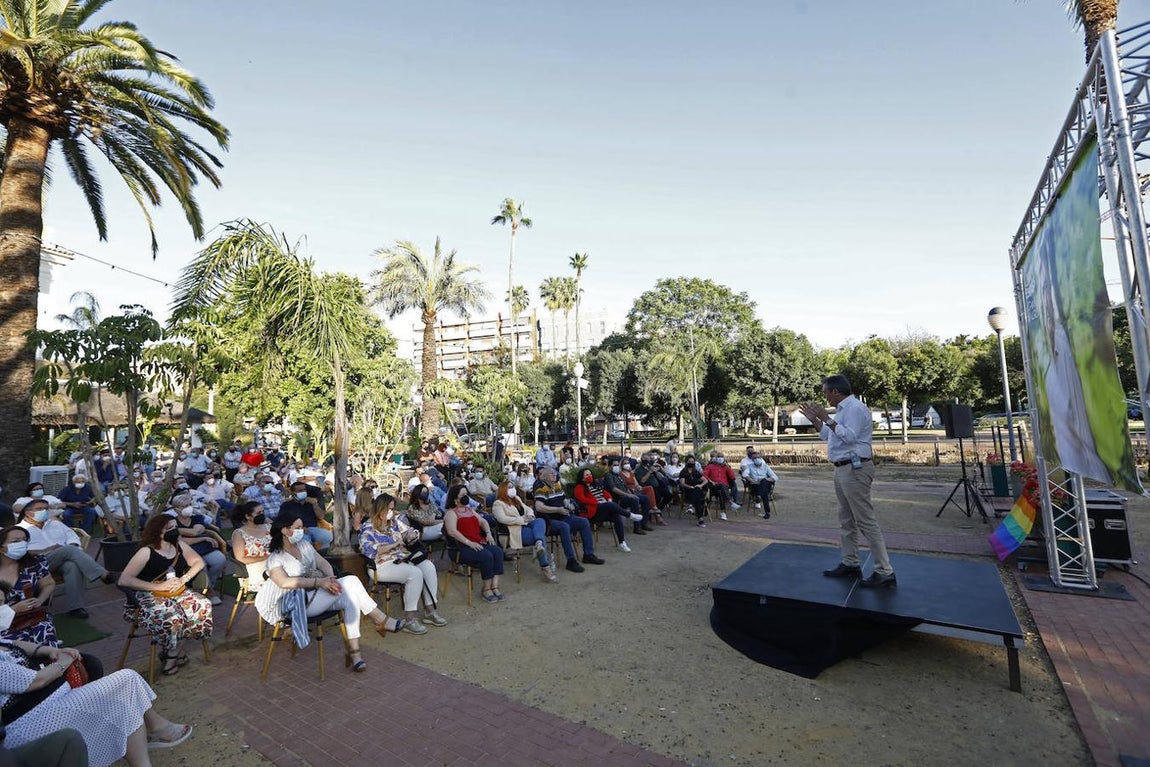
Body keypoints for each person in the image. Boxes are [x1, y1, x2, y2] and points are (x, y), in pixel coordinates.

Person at [0, 588, 193, 766]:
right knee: (125, 681)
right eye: (1, 605)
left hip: (43, 706)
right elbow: (37, 680)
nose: (6, 609)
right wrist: (63, 661)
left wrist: (50, 650)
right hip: (25, 724)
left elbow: (12, 644)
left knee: (121, 696)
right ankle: (154, 732)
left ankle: (151, 737)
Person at [254, 510, 403, 672]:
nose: (302, 531)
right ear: (285, 530)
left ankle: (355, 654)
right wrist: (320, 582)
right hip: (293, 604)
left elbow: (323, 563)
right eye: (298, 527)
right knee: (351, 581)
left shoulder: (303, 545)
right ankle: (381, 621)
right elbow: (284, 582)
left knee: (351, 597)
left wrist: (331, 579)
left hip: (313, 597)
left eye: (302, 527)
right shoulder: (276, 557)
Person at [800, 374, 896, 588]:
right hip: (843, 468)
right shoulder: (842, 411)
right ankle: (851, 562)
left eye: (826, 392)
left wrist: (826, 418)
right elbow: (828, 435)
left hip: (855, 468)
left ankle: (884, 571)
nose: (825, 397)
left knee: (865, 520)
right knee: (846, 519)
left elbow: (850, 437)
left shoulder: (854, 408)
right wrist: (815, 420)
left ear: (836, 391)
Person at [117, 514, 214, 676]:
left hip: (177, 592)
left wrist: (184, 579)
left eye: (174, 527)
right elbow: (124, 580)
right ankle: (174, 655)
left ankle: (172, 654)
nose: (173, 530)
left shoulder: (179, 545)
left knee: (202, 605)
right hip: (149, 595)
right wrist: (158, 585)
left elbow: (198, 562)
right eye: (168, 528)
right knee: (173, 616)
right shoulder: (146, 552)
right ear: (157, 531)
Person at [359, 494, 447, 634]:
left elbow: (409, 531)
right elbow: (370, 551)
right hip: (380, 565)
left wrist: (412, 536)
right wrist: (394, 545)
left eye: (393, 509)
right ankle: (410, 620)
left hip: (401, 559)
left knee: (429, 567)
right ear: (380, 509)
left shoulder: (394, 522)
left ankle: (430, 611)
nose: (392, 512)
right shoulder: (367, 527)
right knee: (415, 573)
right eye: (389, 509)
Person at [16, 499, 113, 619]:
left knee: (71, 565)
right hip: (36, 563)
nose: (45, 511)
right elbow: (21, 552)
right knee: (68, 550)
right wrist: (48, 550)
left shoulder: (55, 524)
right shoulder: (19, 530)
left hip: (61, 558)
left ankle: (76, 607)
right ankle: (102, 574)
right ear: (28, 512)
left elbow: (73, 537)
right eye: (40, 509)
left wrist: (69, 547)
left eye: (46, 508)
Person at [443, 485, 505, 603]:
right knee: (486, 556)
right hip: (461, 548)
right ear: (455, 498)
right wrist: (468, 542)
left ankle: (494, 586)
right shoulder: (451, 513)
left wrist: (488, 533)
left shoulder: (470, 510)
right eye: (463, 495)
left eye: (466, 494)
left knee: (497, 552)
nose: (466, 497)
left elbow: (483, 521)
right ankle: (486, 589)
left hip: (477, 542)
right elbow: (452, 532)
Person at [532, 466, 603, 571]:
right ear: (545, 476)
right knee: (564, 527)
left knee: (583, 522)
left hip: (563, 516)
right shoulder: (541, 489)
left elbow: (564, 499)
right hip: (550, 521)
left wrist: (569, 504)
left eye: (554, 473)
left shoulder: (557, 486)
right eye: (551, 473)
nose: (554, 475)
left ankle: (588, 555)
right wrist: (557, 510)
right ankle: (571, 561)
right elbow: (539, 507)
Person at [0, 526, 58, 646]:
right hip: (3, 624)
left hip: (32, 618)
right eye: (15, 541)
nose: (22, 544)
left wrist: (40, 600)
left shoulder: (34, 562)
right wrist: (13, 610)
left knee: (44, 630)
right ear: (1, 548)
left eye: (24, 540)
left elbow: (49, 583)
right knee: (15, 648)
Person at [491, 481, 558, 583]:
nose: (512, 489)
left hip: (527, 523)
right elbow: (502, 519)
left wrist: (530, 515)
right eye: (509, 487)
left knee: (540, 521)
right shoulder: (498, 504)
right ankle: (545, 566)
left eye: (512, 486)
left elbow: (527, 508)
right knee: (538, 536)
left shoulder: (516, 499)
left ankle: (539, 544)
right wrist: (522, 519)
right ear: (503, 490)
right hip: (514, 530)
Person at [170, 495, 226, 605]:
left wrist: (180, 530)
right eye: (185, 506)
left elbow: (194, 532)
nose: (189, 507)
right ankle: (209, 591)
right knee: (201, 565)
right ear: (176, 509)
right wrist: (204, 537)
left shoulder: (197, 518)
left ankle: (208, 585)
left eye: (190, 505)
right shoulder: (172, 522)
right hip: (186, 551)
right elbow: (183, 541)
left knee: (220, 559)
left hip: (204, 548)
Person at [573, 468, 636, 552]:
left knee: (616, 516)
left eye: (590, 474)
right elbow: (581, 499)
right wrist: (596, 502)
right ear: (582, 478)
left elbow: (606, 493)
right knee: (609, 505)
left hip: (604, 508)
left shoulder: (595, 485)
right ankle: (629, 515)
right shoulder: (579, 487)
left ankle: (622, 543)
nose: (590, 476)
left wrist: (609, 499)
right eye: (587, 475)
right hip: (593, 512)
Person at [277, 481, 333, 551]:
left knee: (328, 536)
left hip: (312, 528)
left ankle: (323, 553)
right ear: (293, 492)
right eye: (300, 490)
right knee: (306, 543)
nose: (303, 492)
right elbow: (282, 521)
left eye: (304, 490)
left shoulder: (310, 503)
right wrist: (298, 528)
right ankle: (310, 556)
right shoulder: (287, 505)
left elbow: (321, 517)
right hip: (297, 530)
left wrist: (315, 505)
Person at [602, 458, 650, 535]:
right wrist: (628, 495)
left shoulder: (618, 476)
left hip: (626, 496)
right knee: (634, 501)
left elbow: (626, 488)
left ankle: (643, 523)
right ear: (610, 466)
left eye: (617, 465)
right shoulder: (608, 476)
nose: (616, 466)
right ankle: (636, 527)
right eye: (614, 465)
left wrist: (631, 495)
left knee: (645, 499)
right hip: (618, 499)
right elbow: (614, 489)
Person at [229, 501, 271, 586]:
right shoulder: (239, 533)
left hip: (274, 561)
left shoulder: (269, 527)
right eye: (259, 513)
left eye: (263, 512)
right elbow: (241, 558)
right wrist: (265, 557)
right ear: (248, 516)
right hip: (256, 566)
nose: (262, 515)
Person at [702, 451, 740, 520]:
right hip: (713, 486)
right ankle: (730, 503)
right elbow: (704, 475)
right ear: (716, 458)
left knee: (721, 491)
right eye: (718, 457)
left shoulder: (725, 467)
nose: (720, 458)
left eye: (721, 457)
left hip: (723, 487)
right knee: (721, 488)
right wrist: (711, 481)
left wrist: (728, 468)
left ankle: (723, 512)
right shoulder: (710, 466)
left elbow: (733, 477)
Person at [741, 451, 778, 519]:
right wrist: (753, 481)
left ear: (761, 458)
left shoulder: (766, 466)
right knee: (765, 493)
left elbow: (775, 477)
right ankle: (767, 512)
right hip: (756, 486)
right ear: (752, 460)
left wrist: (766, 479)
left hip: (766, 484)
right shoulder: (750, 466)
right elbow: (744, 474)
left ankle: (759, 497)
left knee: (763, 482)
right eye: (755, 458)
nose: (757, 459)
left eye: (758, 457)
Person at [678, 455, 709, 526]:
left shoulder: (696, 472)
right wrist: (691, 487)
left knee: (697, 490)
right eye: (689, 461)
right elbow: (682, 484)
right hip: (688, 492)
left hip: (697, 491)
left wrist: (700, 485)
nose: (691, 463)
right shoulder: (683, 472)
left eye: (692, 462)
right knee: (697, 499)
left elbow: (705, 480)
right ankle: (700, 519)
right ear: (686, 462)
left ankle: (691, 505)